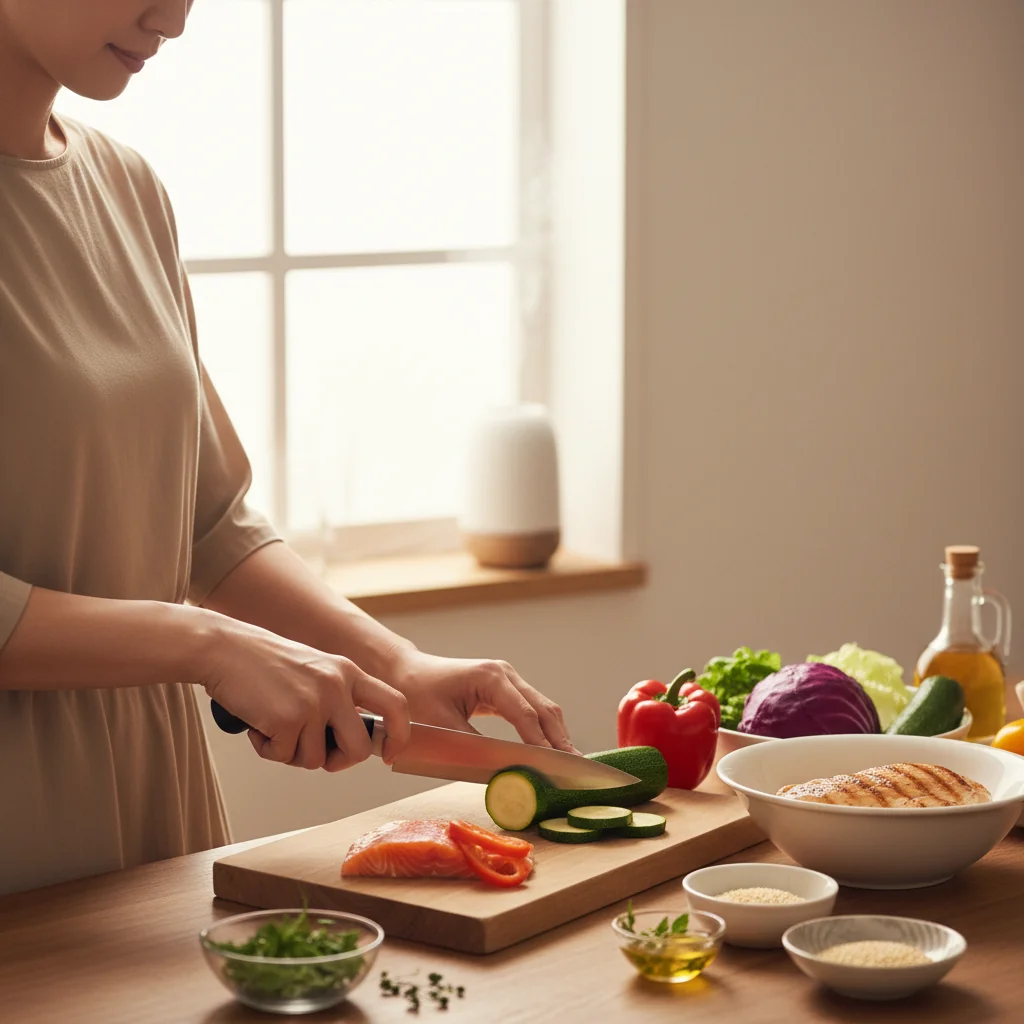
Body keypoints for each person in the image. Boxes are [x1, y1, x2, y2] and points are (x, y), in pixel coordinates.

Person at [0, 0, 575, 896]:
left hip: (153, 821)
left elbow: (206, 525)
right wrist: (208, 646)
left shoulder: (125, 188)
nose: (176, 18)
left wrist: (395, 666)